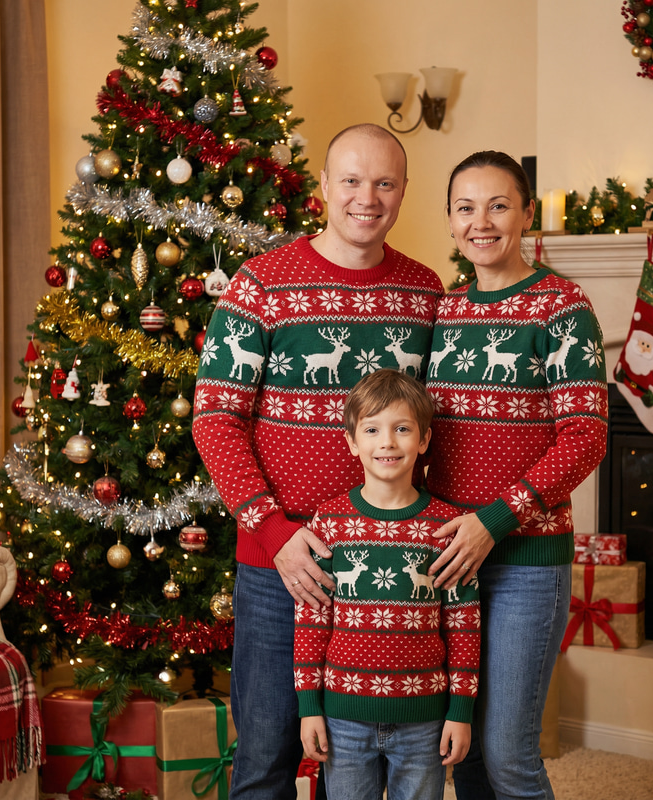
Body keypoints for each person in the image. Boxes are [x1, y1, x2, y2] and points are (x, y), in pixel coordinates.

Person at [192, 124, 444, 799]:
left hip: (391, 568)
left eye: (385, 183)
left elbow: (438, 426)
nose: (368, 197)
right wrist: (272, 533)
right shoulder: (261, 285)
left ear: (402, 192)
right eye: (353, 181)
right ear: (326, 188)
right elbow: (215, 419)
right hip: (284, 565)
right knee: (269, 756)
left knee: (365, 763)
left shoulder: (425, 293)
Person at [424, 151, 608, 800]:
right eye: (466, 208)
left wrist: (494, 521)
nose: (482, 222)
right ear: (449, 221)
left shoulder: (561, 306)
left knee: (508, 755)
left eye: (499, 205)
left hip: (526, 560)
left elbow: (585, 437)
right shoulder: (443, 313)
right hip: (450, 558)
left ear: (527, 214)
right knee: (463, 752)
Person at [295, 369, 480, 800]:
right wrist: (310, 708)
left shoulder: (446, 530)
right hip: (344, 716)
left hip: (424, 720)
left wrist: (460, 710)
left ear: (424, 440)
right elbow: (311, 620)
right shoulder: (330, 522)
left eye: (402, 429)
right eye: (373, 429)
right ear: (351, 441)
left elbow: (464, 628)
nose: (388, 442)